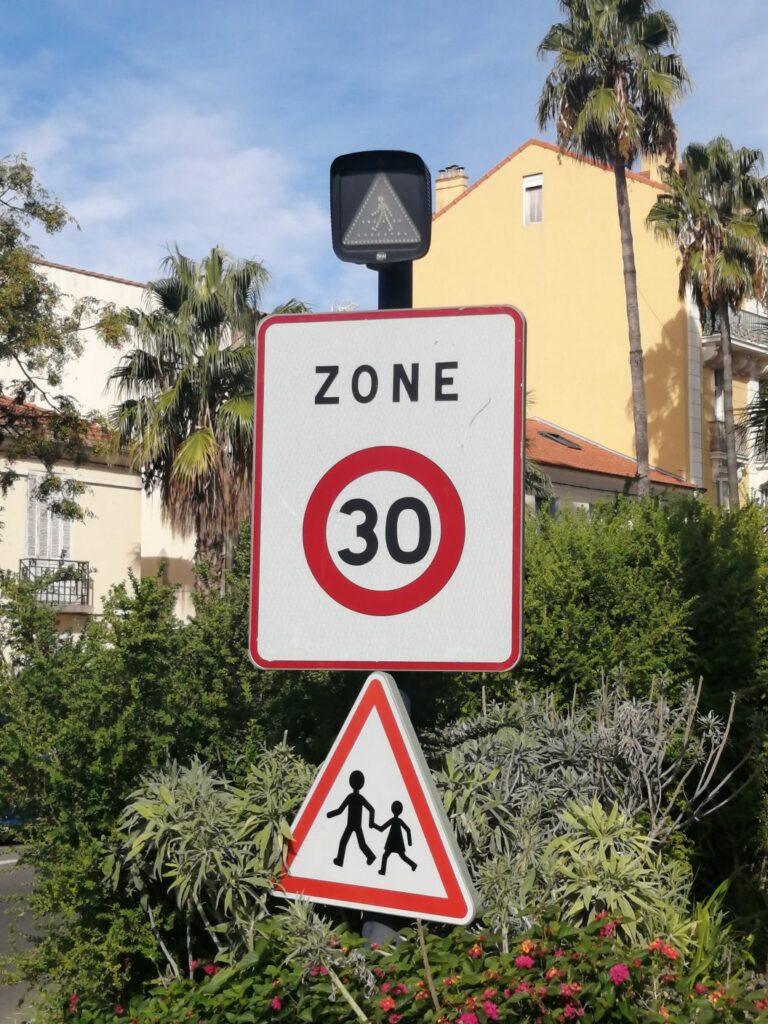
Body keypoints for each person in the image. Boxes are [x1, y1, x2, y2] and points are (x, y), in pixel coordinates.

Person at [326, 770, 376, 867]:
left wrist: (330, 814)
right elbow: (371, 810)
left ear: (351, 782)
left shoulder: (350, 797)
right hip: (356, 825)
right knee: (360, 843)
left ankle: (340, 860)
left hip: (351, 825)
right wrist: (371, 823)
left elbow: (340, 810)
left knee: (345, 842)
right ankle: (370, 856)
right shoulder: (360, 798)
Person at [374, 800, 417, 875]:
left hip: (392, 841)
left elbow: (381, 828)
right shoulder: (399, 820)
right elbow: (408, 830)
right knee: (401, 856)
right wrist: (409, 842)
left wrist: (374, 825)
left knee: (386, 856)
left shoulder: (393, 820)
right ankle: (413, 865)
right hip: (397, 841)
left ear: (392, 809)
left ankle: (383, 871)